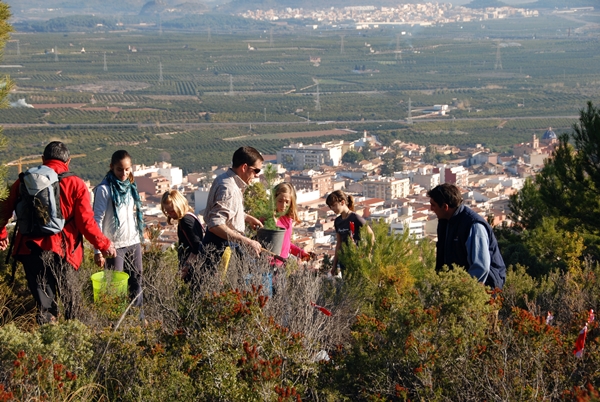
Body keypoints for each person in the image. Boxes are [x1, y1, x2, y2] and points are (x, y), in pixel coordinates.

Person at [0, 141, 116, 324]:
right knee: (72, 307)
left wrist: (2, 235)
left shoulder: (23, 180)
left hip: (30, 250)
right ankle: (73, 345)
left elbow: (3, 210)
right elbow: (86, 223)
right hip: (64, 252)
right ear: (68, 161)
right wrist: (104, 244)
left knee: (45, 309)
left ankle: (47, 346)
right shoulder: (76, 184)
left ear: (43, 159)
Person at [427, 183, 506, 289]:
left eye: (433, 205)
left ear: (445, 207)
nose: (431, 209)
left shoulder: (473, 225)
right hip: (458, 286)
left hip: (483, 288)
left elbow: (480, 267)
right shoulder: (445, 223)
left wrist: (464, 291)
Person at [93, 150, 145, 307]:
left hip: (133, 241)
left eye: (127, 169)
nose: (124, 173)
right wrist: (98, 250)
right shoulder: (103, 189)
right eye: (119, 169)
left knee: (137, 282)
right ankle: (116, 323)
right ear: (111, 167)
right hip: (113, 246)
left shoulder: (130, 186)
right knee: (115, 288)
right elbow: (97, 220)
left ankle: (138, 320)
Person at [202, 146, 264, 258]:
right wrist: (247, 241)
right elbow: (215, 224)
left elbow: (226, 210)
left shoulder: (223, 178)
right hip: (221, 250)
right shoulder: (229, 189)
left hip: (219, 246)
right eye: (256, 170)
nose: (257, 175)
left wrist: (246, 217)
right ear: (244, 167)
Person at [326, 190, 374, 276]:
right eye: (330, 207)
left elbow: (371, 235)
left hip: (357, 259)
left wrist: (367, 254)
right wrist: (334, 265)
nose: (332, 209)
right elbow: (339, 243)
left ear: (342, 202)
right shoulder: (337, 221)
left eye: (333, 205)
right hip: (344, 261)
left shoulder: (355, 218)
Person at [161, 190, 204, 279]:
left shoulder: (186, 221)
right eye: (167, 212)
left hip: (193, 270)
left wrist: (185, 268)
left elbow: (196, 247)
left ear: (179, 207)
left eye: (172, 211)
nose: (170, 214)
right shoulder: (190, 216)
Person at [273, 182, 311, 262]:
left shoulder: (288, 220)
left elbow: (286, 243)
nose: (283, 205)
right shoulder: (267, 218)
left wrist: (300, 253)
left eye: (287, 202)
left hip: (282, 266)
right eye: (280, 201)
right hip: (269, 266)